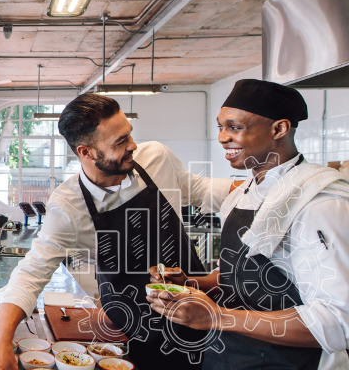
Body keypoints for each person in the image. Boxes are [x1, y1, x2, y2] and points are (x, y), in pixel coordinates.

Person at [0, 93, 240, 370]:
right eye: (120, 142)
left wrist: (262, 186)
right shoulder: (68, 207)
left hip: (200, 310)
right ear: (86, 152)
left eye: (129, 134)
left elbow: (198, 189)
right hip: (130, 332)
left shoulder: (155, 158)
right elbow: (31, 272)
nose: (133, 145)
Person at [146, 79, 349, 369]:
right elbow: (245, 272)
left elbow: (338, 321)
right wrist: (193, 283)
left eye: (235, 127)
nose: (222, 138)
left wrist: (216, 316)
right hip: (226, 355)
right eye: (220, 127)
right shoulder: (243, 194)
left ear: (278, 129)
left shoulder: (320, 203)